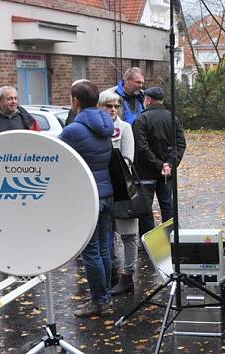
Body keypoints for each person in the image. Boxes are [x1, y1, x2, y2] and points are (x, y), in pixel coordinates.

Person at [59, 81, 115, 317]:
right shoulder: (106, 124)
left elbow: (55, 158)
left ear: (76, 101)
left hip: (87, 197)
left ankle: (99, 301)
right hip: (106, 193)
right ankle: (106, 297)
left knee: (90, 252)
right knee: (104, 249)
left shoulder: (73, 130)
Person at [97, 89, 139, 295]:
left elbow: (128, 160)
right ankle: (111, 272)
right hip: (103, 192)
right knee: (107, 235)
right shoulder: (95, 130)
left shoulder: (125, 128)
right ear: (100, 107)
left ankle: (127, 275)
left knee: (129, 236)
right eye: (108, 106)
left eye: (116, 106)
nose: (113, 110)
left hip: (122, 192)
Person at [133, 86, 186, 236]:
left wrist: (159, 164)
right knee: (167, 204)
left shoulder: (141, 119)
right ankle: (171, 237)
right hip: (166, 173)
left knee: (145, 208)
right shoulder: (173, 118)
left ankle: (147, 240)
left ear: (148, 100)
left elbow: (141, 147)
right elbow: (180, 144)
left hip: (145, 172)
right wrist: (169, 164)